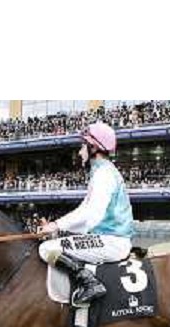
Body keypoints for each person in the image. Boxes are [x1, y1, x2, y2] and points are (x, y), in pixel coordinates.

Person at [37, 121, 134, 305]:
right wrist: (57, 229)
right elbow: (85, 211)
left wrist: (55, 225)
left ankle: (90, 283)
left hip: (110, 241)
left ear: (93, 147)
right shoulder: (102, 172)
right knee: (54, 243)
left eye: (83, 145)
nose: (80, 151)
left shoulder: (103, 175)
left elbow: (91, 214)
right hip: (109, 238)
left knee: (47, 248)